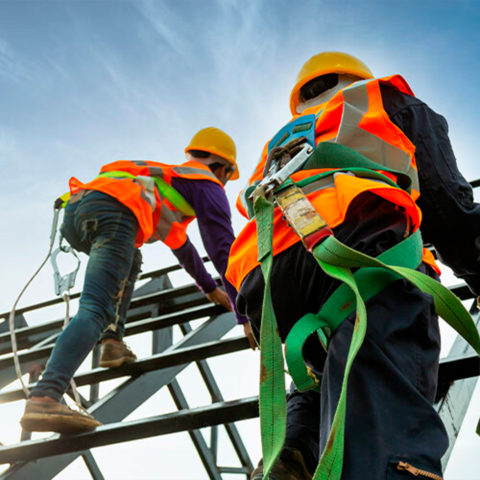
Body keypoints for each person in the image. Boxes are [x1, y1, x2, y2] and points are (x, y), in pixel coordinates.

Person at [226, 52, 480, 479]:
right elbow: (443, 202)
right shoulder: (383, 99)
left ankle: (293, 452)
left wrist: (244, 313)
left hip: (265, 280)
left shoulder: (282, 143)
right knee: (383, 413)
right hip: (360, 240)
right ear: (355, 76)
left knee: (322, 364)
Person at [20, 126, 248, 434]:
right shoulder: (206, 184)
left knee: (131, 259)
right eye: (226, 177)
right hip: (114, 214)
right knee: (95, 308)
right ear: (223, 167)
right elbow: (223, 251)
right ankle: (46, 395)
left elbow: (183, 248)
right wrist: (244, 313)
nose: (223, 184)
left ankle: (112, 342)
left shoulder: (164, 182)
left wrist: (209, 288)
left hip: (78, 212)